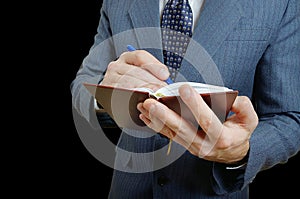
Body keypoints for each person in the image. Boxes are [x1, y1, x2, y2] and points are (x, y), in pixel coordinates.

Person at [70, 0, 300, 198]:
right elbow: (83, 82)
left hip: (211, 190)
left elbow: (289, 119)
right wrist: (107, 95)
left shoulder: (278, 4)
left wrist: (241, 152)